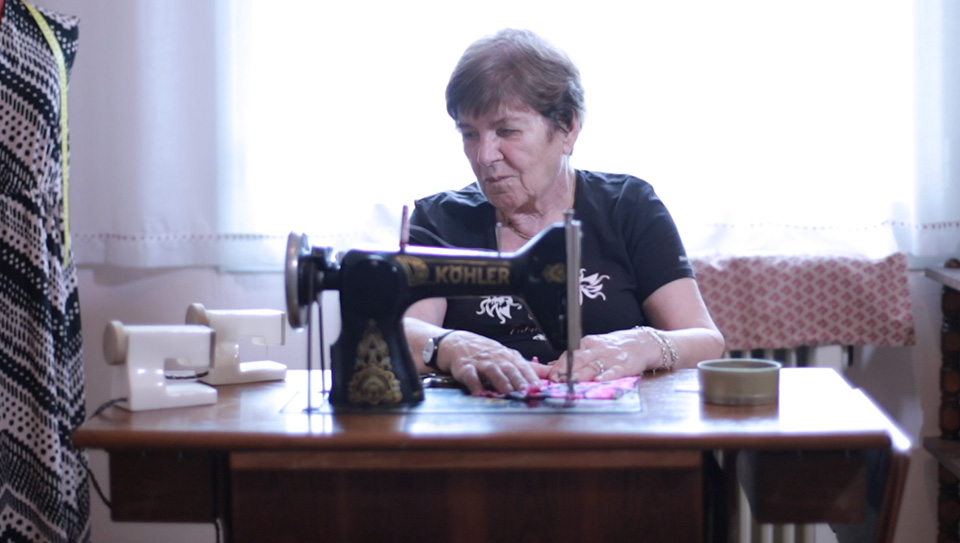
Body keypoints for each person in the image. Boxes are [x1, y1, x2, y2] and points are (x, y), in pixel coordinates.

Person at [404, 28, 724, 395]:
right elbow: (408, 332)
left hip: (615, 434)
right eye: (469, 134)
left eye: (506, 131)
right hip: (482, 437)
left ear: (567, 127)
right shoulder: (440, 220)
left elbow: (705, 341)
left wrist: (643, 345)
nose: (483, 156)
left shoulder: (628, 206)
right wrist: (453, 346)